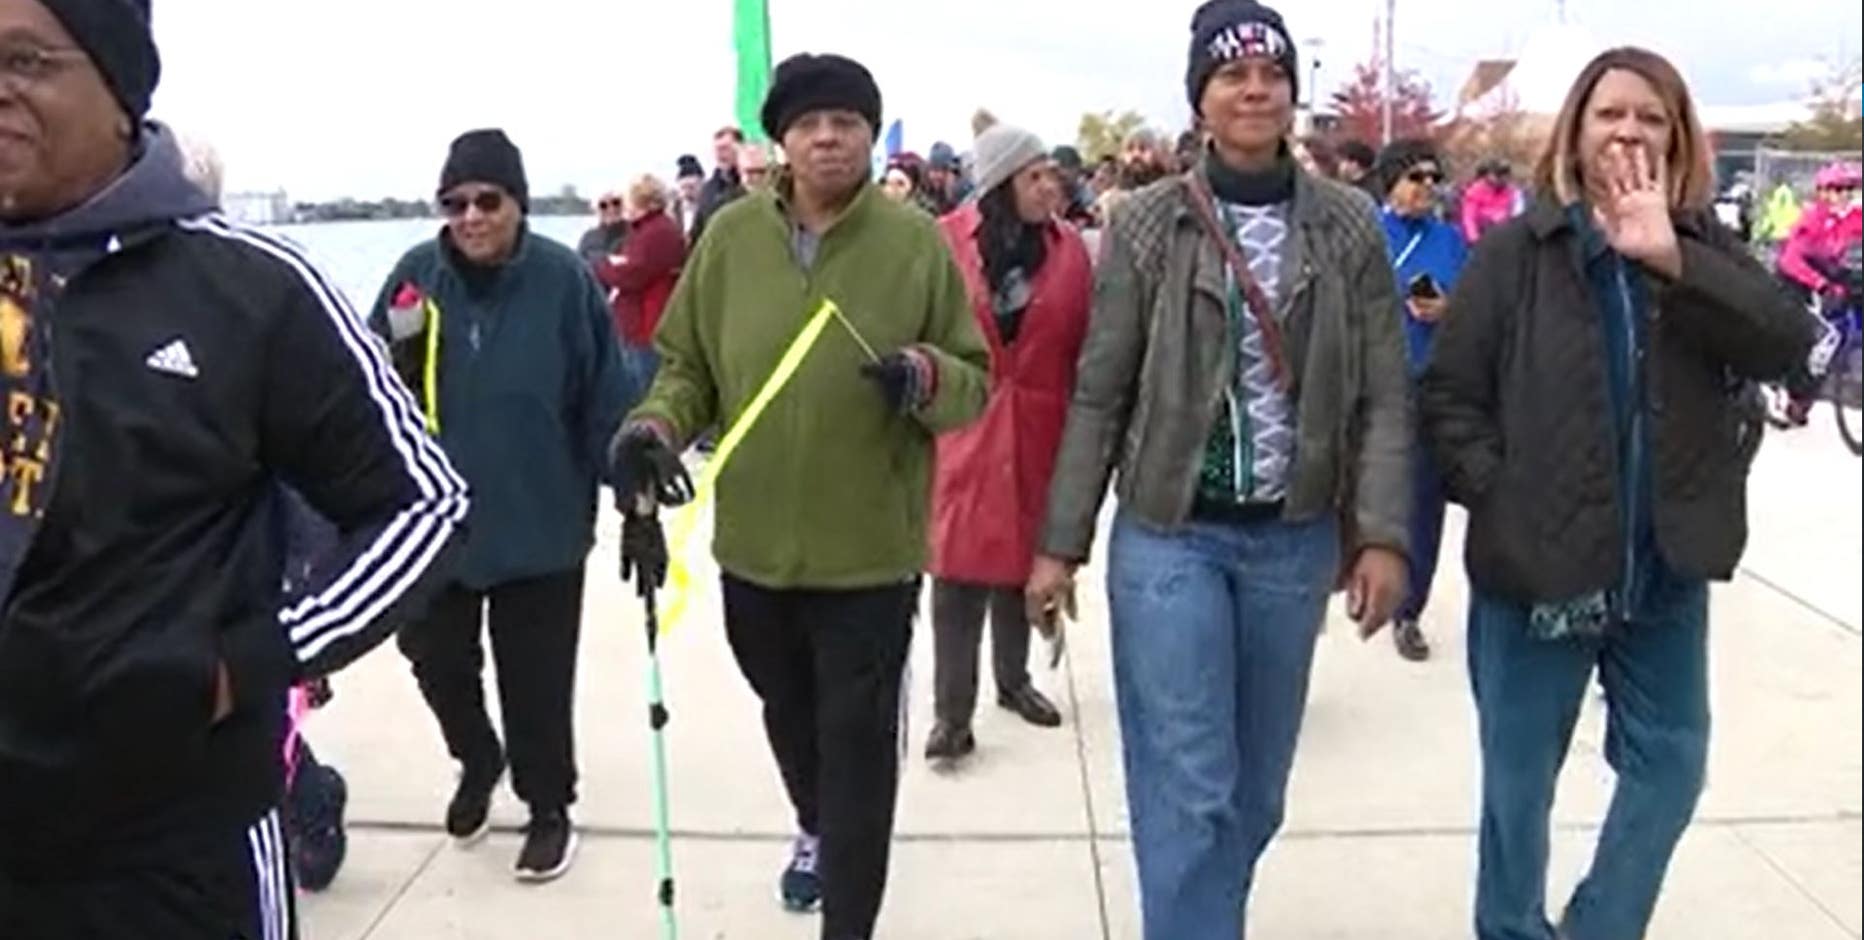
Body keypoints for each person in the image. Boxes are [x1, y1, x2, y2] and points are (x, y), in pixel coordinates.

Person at [0, 3, 469, 937]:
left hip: (179, 850)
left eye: (25, 60)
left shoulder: (250, 288)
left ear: (121, 89)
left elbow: (424, 505)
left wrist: (249, 662)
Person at [1027, 2, 1412, 936]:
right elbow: (1100, 392)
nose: (1254, 90)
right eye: (1232, 75)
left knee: (1253, 798)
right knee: (1191, 789)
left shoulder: (1350, 224)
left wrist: (1383, 535)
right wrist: (1060, 544)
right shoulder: (1147, 223)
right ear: (1200, 96)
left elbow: (1384, 394)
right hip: (1172, 537)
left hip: (1292, 540)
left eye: (1271, 75)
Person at [1419, 47, 1816, 940]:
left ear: (1678, 138)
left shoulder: (1703, 248)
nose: (1629, 131)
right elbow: (1447, 396)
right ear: (1576, 131)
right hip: (1540, 570)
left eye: (1650, 117)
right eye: (1611, 114)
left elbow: (1788, 343)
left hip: (1663, 568)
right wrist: (1500, 496)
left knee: (1671, 767)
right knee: (1519, 790)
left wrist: (1675, 259)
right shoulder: (1518, 253)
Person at [610, 52, 988, 940]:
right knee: (788, 713)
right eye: (809, 123)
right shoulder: (731, 238)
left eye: (846, 123)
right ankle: (816, 822)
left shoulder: (914, 244)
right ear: (781, 139)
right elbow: (687, 368)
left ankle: (847, 909)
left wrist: (924, 375)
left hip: (870, 558)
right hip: (755, 551)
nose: (827, 138)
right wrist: (654, 427)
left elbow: (974, 379)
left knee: (859, 754)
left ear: (869, 136)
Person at [371, 128, 629, 884]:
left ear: (518, 202)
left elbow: (605, 392)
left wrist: (632, 490)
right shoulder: (414, 278)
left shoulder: (563, 279)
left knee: (536, 679)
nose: (472, 217)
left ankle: (548, 806)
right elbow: (365, 389)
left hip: (541, 517)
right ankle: (478, 756)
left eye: (488, 200)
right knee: (432, 655)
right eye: (455, 203)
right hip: (436, 524)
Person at [924, 124, 1091, 764]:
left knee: (1023, 563)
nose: (1051, 186)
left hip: (1041, 425)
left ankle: (1014, 680)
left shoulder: (1070, 251)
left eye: (1052, 173)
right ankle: (951, 716)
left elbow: (1085, 341)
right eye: (1034, 176)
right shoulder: (945, 243)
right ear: (999, 185)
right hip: (966, 425)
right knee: (959, 573)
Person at [1373, 139, 1468, 664]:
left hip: (1427, 385)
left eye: (1434, 178)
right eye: (1416, 177)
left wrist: (1448, 310)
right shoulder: (1366, 232)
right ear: (1391, 182)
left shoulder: (1450, 240)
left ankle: (1409, 610)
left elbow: (1477, 305)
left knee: (1423, 502)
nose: (1427, 187)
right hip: (1370, 383)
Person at [595, 174, 687, 408]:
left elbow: (635, 273)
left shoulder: (656, 233)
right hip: (641, 323)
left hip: (647, 325)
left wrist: (603, 268)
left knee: (643, 391)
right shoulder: (652, 230)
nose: (624, 207)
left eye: (628, 201)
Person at [690, 124, 746, 244]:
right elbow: (698, 230)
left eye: (725, 148)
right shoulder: (708, 189)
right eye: (716, 150)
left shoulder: (751, 184)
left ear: (740, 148)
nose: (720, 154)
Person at [1460, 158, 1523, 244]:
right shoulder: (1475, 191)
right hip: (1482, 234)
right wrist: (1474, 238)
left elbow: (1515, 214)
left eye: (1505, 175)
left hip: (1503, 234)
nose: (1503, 179)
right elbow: (1469, 218)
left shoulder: (1511, 192)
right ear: (1489, 175)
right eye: (1498, 175)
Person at [1051, 144, 1097, 226]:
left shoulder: (1088, 199)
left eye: (1067, 166)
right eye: (1056, 169)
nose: (1062, 172)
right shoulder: (1047, 198)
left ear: (1077, 169)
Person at [578, 189, 629, 262]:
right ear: (596, 209)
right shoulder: (589, 237)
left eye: (616, 203)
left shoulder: (635, 233)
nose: (611, 209)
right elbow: (578, 264)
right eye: (603, 205)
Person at [925, 141, 965, 214]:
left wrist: (950, 190)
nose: (932, 176)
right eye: (931, 170)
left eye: (937, 170)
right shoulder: (930, 194)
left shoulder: (963, 190)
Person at [674, 154, 706, 238]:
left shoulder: (709, 208)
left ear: (701, 184)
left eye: (691, 188)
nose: (687, 193)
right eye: (683, 188)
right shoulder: (673, 211)